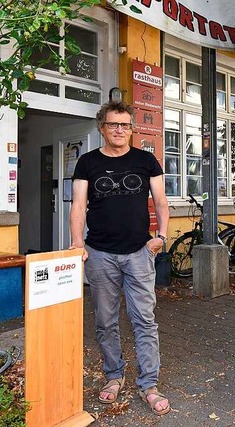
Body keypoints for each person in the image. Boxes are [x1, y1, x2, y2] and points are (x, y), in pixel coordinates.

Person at [69, 101, 171, 415]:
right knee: (105, 321)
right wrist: (76, 243)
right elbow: (78, 206)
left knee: (144, 320)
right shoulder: (87, 162)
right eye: (113, 124)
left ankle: (149, 385)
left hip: (139, 253)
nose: (119, 130)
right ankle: (114, 376)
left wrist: (161, 238)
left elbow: (161, 202)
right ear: (102, 127)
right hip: (99, 253)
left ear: (131, 129)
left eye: (125, 125)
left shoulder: (145, 161)